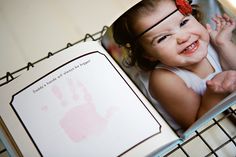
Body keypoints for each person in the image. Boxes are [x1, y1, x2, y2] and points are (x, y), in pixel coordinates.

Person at [112, 0, 236, 130]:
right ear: (148, 54)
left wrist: (224, 44)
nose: (183, 37)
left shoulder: (207, 43)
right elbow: (196, 126)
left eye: (183, 23)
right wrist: (213, 95)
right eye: (162, 38)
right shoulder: (164, 79)